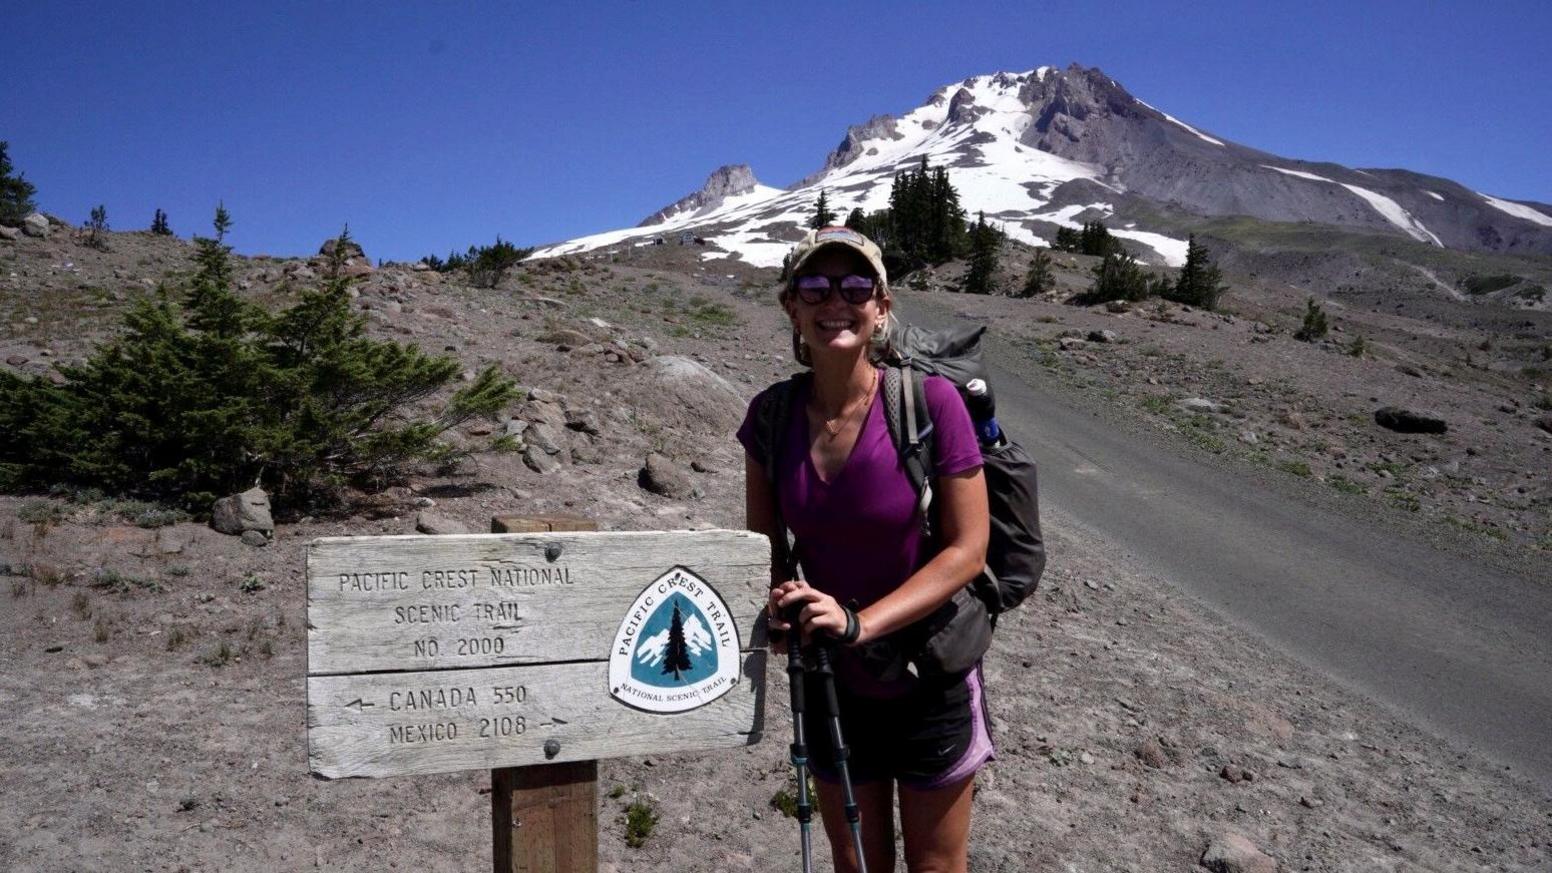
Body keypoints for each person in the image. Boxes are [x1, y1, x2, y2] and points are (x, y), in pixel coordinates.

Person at [738, 226, 992, 873]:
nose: (835, 301)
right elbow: (764, 549)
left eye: (855, 286)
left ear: (881, 306)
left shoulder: (929, 403)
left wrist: (862, 623)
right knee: (856, 865)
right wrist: (777, 604)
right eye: (815, 286)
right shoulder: (770, 416)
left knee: (936, 867)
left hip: (926, 675)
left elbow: (968, 549)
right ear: (791, 305)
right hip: (830, 683)